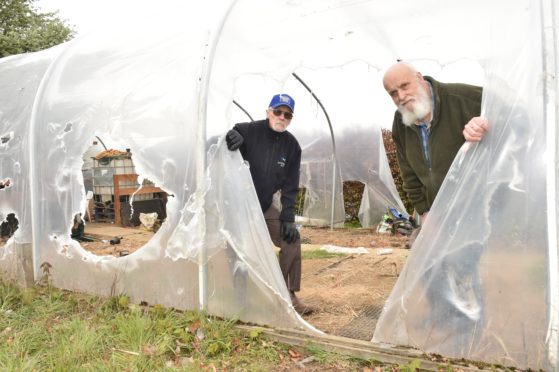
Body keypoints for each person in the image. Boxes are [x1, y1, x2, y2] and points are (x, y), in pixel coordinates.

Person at [225, 93, 313, 315]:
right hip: (238, 203)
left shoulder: (292, 146)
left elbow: (291, 185)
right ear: (268, 112)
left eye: (287, 114)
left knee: (291, 239)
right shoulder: (249, 130)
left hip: (263, 206)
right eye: (277, 112)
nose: (281, 117)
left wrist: (288, 217)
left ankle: (287, 293)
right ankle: (240, 296)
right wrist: (232, 136)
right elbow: (229, 138)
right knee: (238, 247)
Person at [383, 61, 489, 225]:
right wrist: (424, 211)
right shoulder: (400, 121)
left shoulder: (465, 99)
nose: (401, 97)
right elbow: (408, 173)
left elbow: (517, 115)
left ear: (419, 78)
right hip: (442, 219)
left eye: (405, 86)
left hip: (485, 213)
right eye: (393, 93)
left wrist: (487, 122)